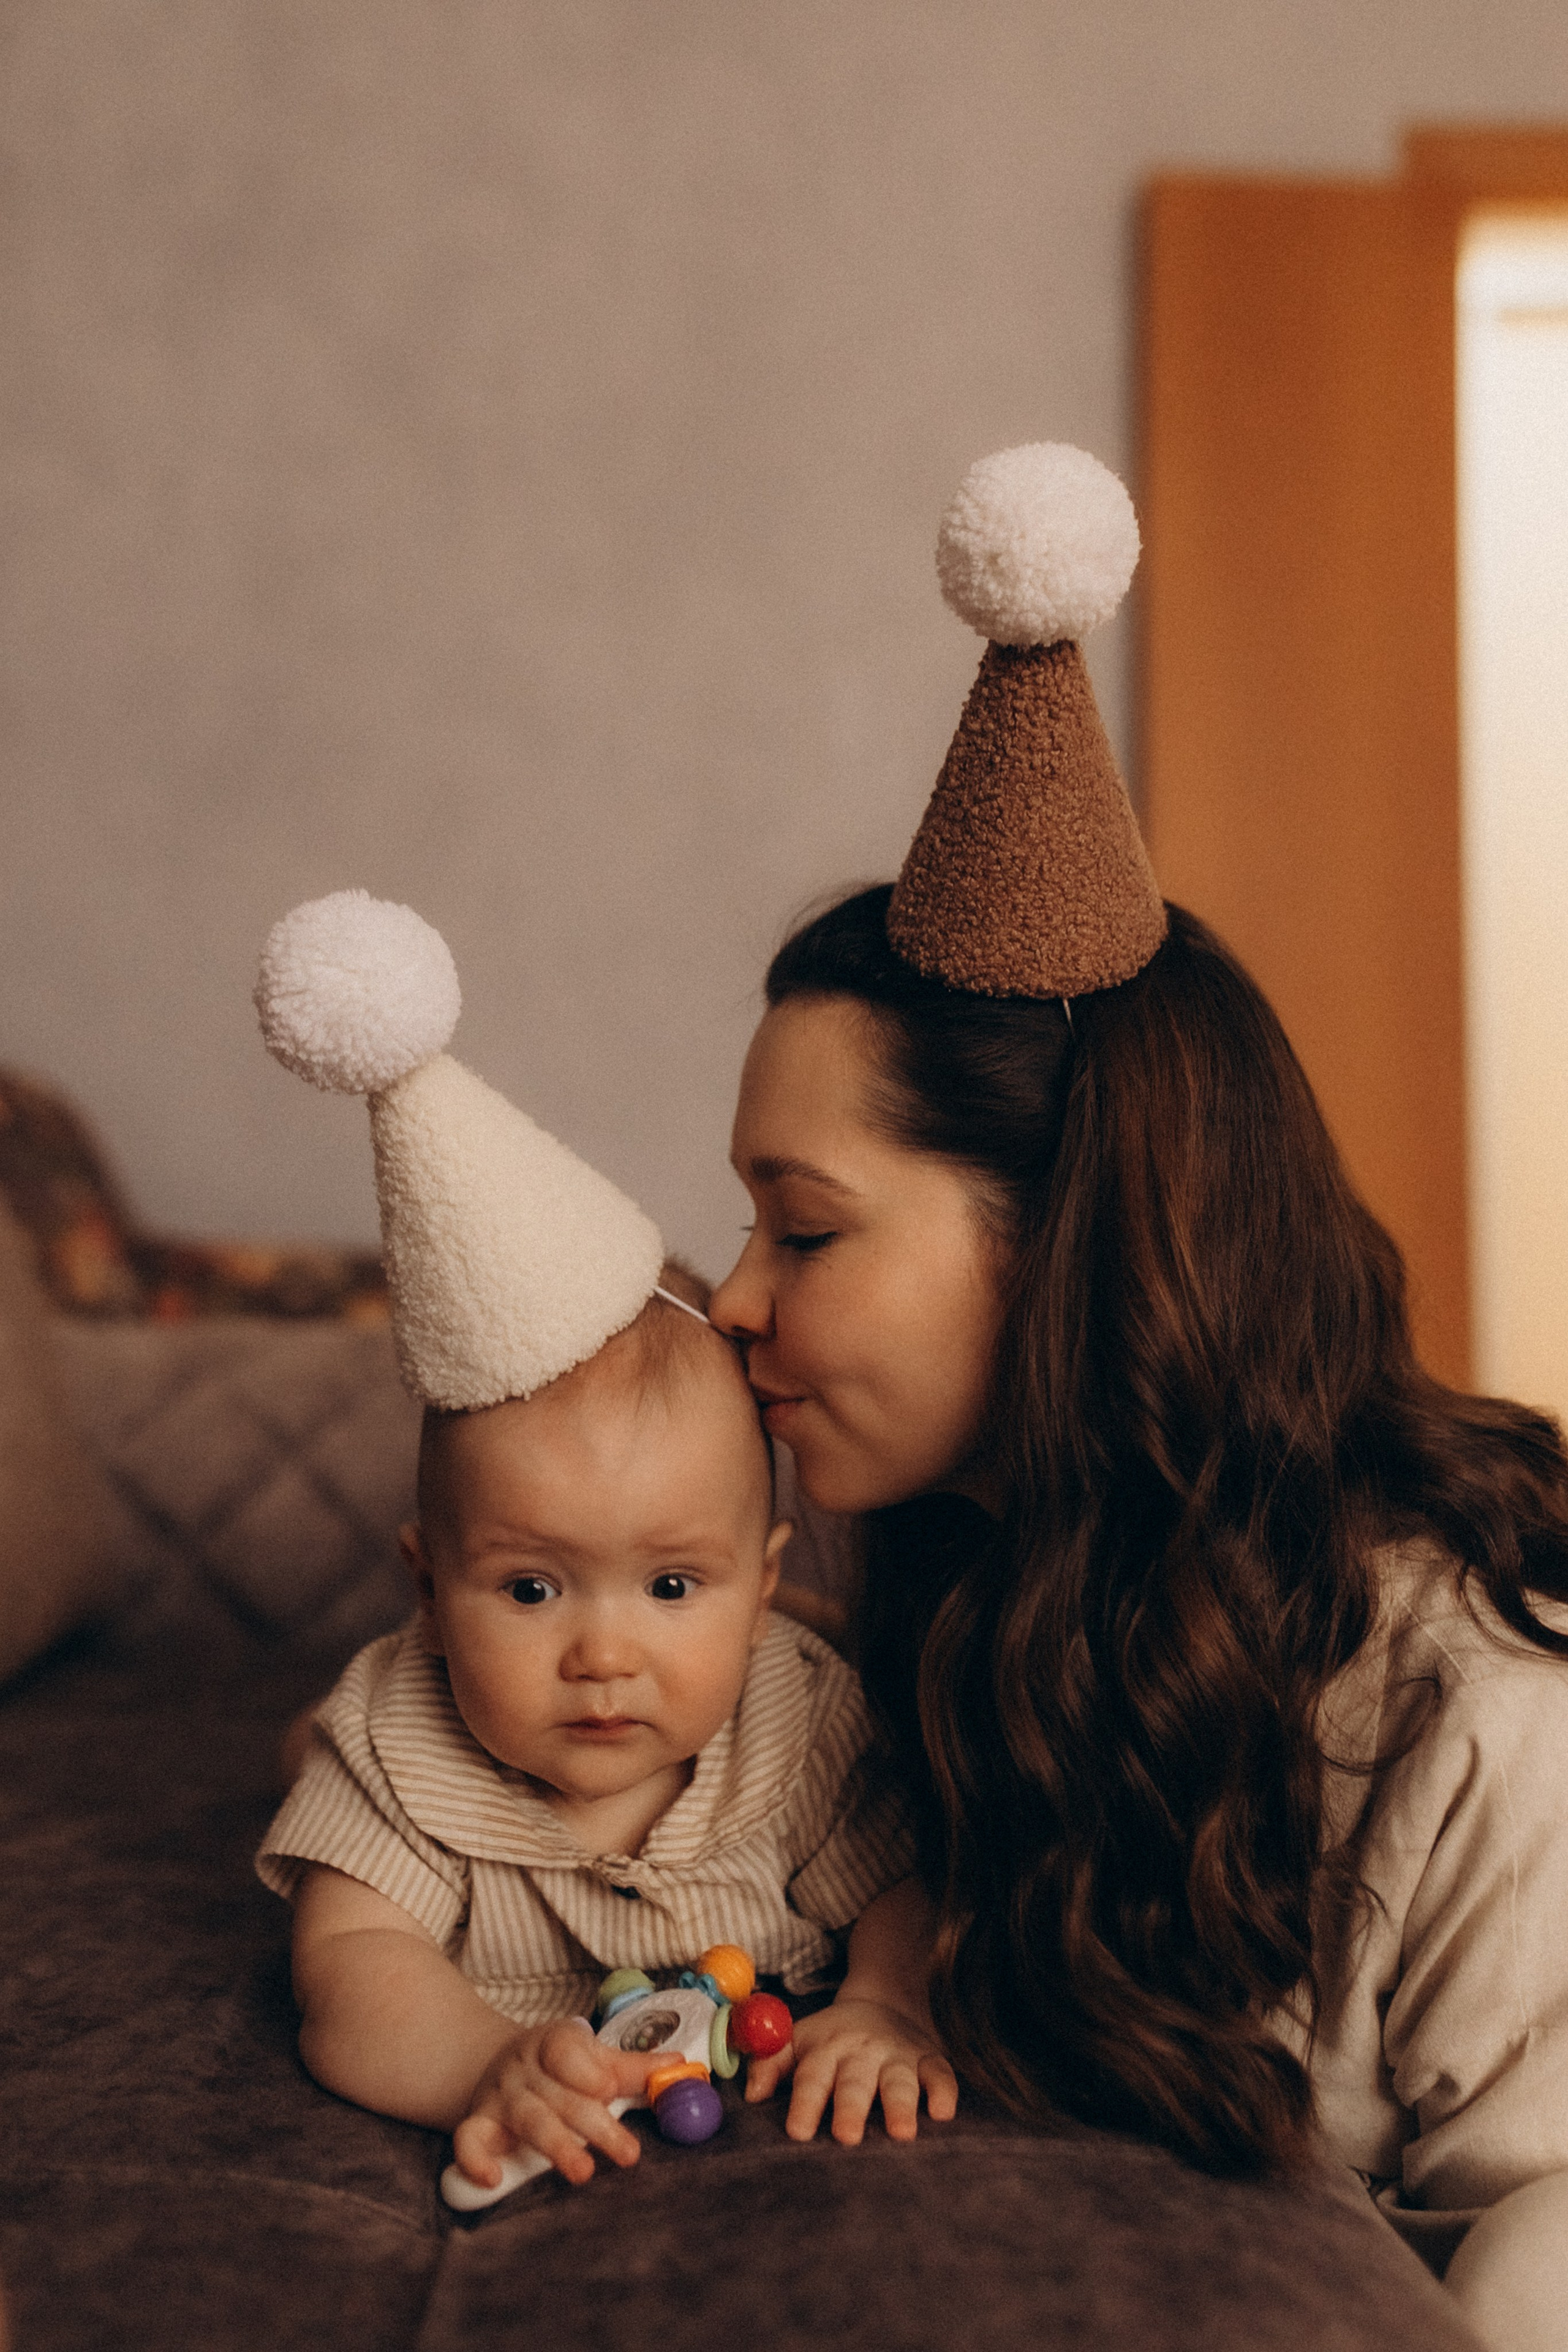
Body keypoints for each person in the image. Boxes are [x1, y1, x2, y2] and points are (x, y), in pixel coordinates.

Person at [709, 443, 1568, 2352]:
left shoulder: (1482, 1714)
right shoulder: (944, 1578)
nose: (738, 1304)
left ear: (1063, 1239)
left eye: (808, 1231)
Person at [250, 891, 956, 2196]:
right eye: (528, 1587)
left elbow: (900, 1882)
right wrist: (490, 2063)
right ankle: (302, 1753)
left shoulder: (796, 1721)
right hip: (514, 2017)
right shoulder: (406, 1742)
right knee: (328, 1766)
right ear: (425, 1585)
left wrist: (887, 2000)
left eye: (675, 1584)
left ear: (764, 1594)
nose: (602, 1653)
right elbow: (350, 1980)